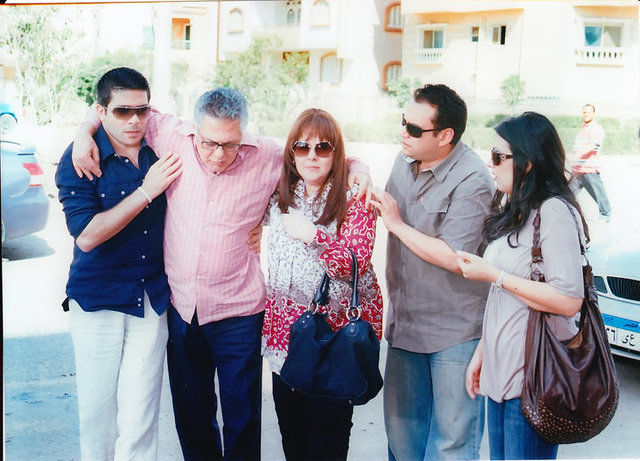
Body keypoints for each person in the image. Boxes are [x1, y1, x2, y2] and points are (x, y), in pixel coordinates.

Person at [71, 87, 372, 461]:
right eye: (209, 142)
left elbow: (318, 152)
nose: (218, 153)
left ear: (243, 133)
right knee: (192, 416)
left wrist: (359, 168)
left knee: (242, 418)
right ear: (194, 130)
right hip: (182, 309)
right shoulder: (171, 135)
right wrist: (84, 130)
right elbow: (123, 109)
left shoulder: (267, 156)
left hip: (238, 314)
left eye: (230, 144)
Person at [55, 67, 183, 460]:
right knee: (97, 417)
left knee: (141, 417)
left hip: (150, 300)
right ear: (102, 111)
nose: (134, 121)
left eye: (142, 110)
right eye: (123, 111)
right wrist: (146, 191)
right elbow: (87, 235)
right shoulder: (80, 157)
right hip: (98, 300)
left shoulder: (159, 146)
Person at [370, 84, 494, 460]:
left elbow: (458, 258)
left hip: (454, 334)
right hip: (406, 326)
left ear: (445, 136)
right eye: (403, 122)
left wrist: (397, 225)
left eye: (413, 129)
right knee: (402, 440)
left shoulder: (472, 179)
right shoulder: (404, 159)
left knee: (453, 445)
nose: (403, 133)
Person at [457, 112, 587, 460]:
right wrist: (482, 354)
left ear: (527, 162)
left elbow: (569, 300)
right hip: (501, 373)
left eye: (499, 156)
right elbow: (506, 299)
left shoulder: (554, 212)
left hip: (534, 377)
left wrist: (494, 275)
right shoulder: (519, 210)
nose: (491, 164)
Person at [261, 108, 383, 461]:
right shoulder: (279, 195)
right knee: (293, 442)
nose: (312, 156)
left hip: (332, 343)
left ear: (336, 153)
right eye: (303, 147)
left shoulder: (354, 198)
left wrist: (314, 237)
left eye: (323, 147)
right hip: (285, 344)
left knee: (326, 446)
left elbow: (355, 264)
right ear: (291, 153)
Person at [570, 103, 611, 221]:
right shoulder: (583, 128)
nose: (586, 114)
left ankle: (605, 214)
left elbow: (593, 145)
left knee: (598, 193)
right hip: (578, 169)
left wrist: (578, 155)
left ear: (593, 114)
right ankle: (566, 214)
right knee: (568, 193)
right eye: (584, 112)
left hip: (590, 168)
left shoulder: (596, 128)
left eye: (588, 112)